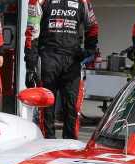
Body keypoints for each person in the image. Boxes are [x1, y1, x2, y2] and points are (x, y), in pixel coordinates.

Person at [25, 0, 99, 139]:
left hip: (72, 59)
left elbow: (93, 26)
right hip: (48, 57)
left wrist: (89, 50)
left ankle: (70, 146)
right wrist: (30, 65)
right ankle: (46, 143)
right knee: (47, 108)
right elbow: (31, 31)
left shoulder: (83, 2)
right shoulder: (39, 1)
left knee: (72, 107)